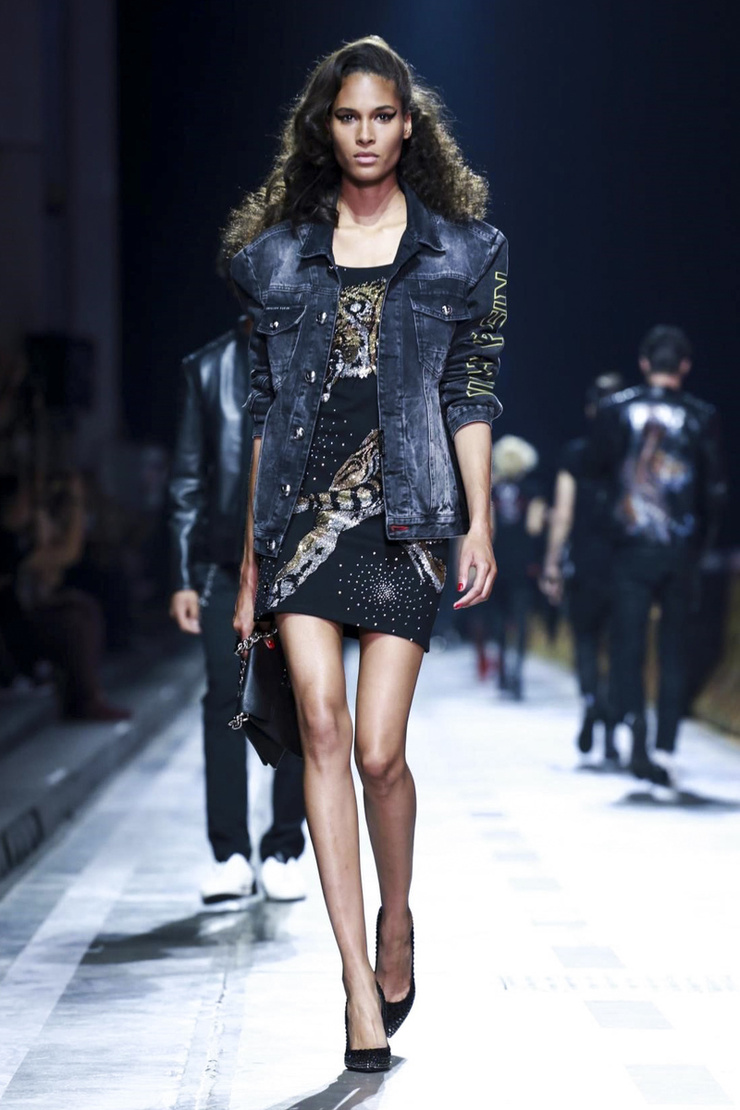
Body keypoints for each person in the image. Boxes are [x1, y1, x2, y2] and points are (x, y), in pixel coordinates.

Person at [226, 36, 507, 1071]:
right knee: (320, 726)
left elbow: (469, 389)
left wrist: (478, 521)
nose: (364, 134)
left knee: (379, 753)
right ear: (325, 127)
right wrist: (251, 565)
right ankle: (353, 981)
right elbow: (263, 412)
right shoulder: (272, 260)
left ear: (408, 126)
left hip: (406, 515)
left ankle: (397, 917)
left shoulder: (466, 253)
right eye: (347, 117)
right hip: (300, 518)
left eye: (381, 116)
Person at [168, 321, 307, 904]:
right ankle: (230, 854)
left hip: (299, 557)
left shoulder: (313, 347)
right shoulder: (207, 368)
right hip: (223, 567)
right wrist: (183, 576)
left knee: (300, 700)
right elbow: (188, 479)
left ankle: (283, 849)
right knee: (224, 703)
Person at [587, 327, 726, 792]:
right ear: (684, 366)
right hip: (680, 550)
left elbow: (597, 479)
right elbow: (715, 492)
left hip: (629, 549)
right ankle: (666, 742)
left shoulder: (615, 410)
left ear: (644, 363)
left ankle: (637, 730)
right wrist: (700, 546)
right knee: (674, 647)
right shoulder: (702, 416)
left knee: (627, 645)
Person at [0, 471, 130, 720]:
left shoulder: (19, 537)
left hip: (20, 619)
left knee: (82, 605)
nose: (30, 504)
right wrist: (77, 503)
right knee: (75, 619)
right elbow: (67, 554)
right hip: (14, 629)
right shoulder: (5, 542)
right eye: (26, 498)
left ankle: (87, 697)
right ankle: (83, 700)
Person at [541, 373, 624, 764]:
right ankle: (612, 727)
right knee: (621, 648)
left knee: (586, 643)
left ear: (591, 409)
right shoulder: (634, 455)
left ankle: (591, 699)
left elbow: (563, 515)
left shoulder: (575, 454)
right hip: (625, 564)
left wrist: (552, 565)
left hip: (586, 564)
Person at [484, 435, 546, 700]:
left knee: (498, 618)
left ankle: (501, 672)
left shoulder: (492, 490)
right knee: (521, 620)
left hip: (499, 560)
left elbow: (490, 528)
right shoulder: (533, 490)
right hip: (524, 563)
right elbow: (534, 527)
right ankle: (517, 672)